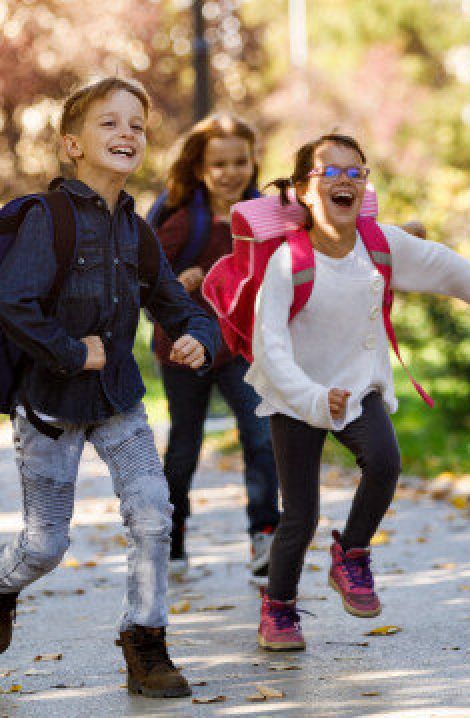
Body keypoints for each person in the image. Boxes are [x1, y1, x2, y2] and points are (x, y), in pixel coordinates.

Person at [0, 76, 219, 699]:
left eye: (136, 124)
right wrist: (72, 350)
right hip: (47, 407)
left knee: (153, 514)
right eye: (109, 123)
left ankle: (145, 641)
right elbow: (12, 303)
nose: (126, 133)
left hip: (119, 402)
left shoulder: (136, 229)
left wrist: (198, 336)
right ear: (71, 145)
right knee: (45, 545)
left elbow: (174, 301)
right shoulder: (46, 219)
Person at [246, 133, 470, 651]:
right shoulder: (288, 263)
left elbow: (442, 264)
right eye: (330, 172)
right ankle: (279, 608)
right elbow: (270, 348)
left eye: (356, 171)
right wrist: (309, 397)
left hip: (357, 387)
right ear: (305, 191)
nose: (345, 179)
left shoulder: (380, 244)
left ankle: (351, 554)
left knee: (386, 461)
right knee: (299, 517)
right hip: (296, 397)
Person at [148, 114, 280, 577]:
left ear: (253, 162)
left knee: (261, 436)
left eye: (239, 161)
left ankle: (265, 535)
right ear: (201, 168)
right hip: (186, 348)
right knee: (185, 445)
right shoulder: (186, 220)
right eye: (218, 163)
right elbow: (147, 277)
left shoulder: (267, 215)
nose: (230, 172)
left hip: (242, 348)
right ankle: (173, 533)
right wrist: (178, 283)